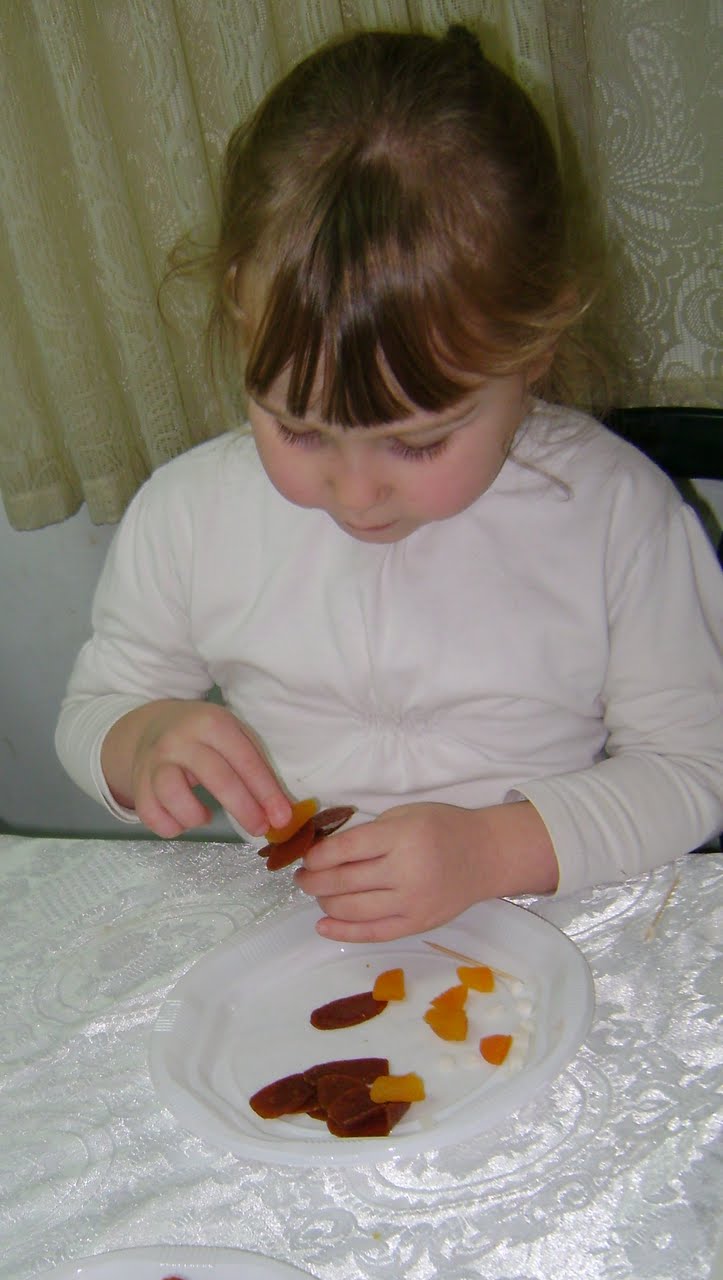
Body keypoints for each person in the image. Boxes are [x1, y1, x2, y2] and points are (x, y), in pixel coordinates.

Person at [55, 26, 723, 944]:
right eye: (297, 427)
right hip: (297, 932)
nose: (356, 493)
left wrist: (489, 851)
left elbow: (692, 769)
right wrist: (140, 742)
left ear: (533, 348)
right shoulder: (187, 515)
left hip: (547, 910)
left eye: (417, 441)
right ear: (238, 308)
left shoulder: (617, 516)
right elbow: (95, 708)